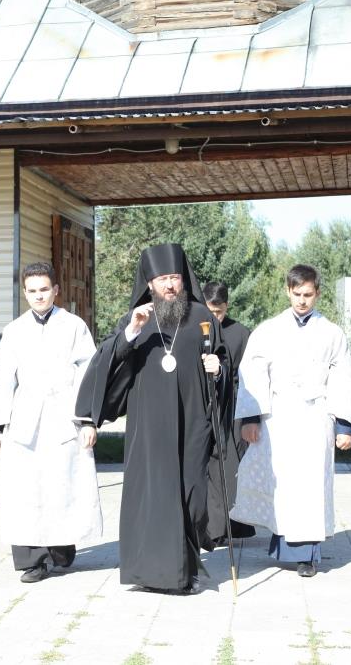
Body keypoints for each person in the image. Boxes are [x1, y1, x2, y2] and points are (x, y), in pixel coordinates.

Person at [75, 244, 241, 594]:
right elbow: (107, 362)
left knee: (191, 494)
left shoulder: (202, 316)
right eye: (162, 279)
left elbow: (223, 361)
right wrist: (131, 333)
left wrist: (218, 369)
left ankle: (184, 567)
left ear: (184, 280)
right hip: (148, 426)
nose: (169, 285)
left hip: (194, 422)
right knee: (153, 495)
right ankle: (159, 575)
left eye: (175, 278)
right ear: (149, 282)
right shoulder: (137, 319)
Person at [229, 264, 351, 578]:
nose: (302, 300)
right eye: (297, 293)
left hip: (315, 415)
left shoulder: (331, 333)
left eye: (308, 294)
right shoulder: (269, 330)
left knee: (310, 485)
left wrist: (344, 425)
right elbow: (253, 374)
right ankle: (283, 544)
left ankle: (307, 556)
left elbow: (343, 377)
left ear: (318, 293)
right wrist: (251, 418)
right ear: (288, 291)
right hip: (280, 416)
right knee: (284, 482)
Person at [0, 262, 102, 583]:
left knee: (61, 483)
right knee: (25, 489)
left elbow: (88, 373)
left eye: (44, 289)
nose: (39, 296)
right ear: (24, 294)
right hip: (24, 419)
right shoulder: (14, 331)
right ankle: (33, 560)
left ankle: (61, 547)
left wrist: (87, 421)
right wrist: (1, 427)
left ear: (55, 290)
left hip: (64, 415)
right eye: (32, 291)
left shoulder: (74, 326)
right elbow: (4, 379)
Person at [201, 282, 255, 546]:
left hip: (232, 407)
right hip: (202, 406)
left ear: (227, 307)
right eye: (210, 311)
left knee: (231, 464)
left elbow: (248, 376)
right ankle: (209, 525)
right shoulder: (195, 330)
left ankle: (230, 524)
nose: (215, 318)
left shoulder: (241, 333)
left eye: (219, 312)